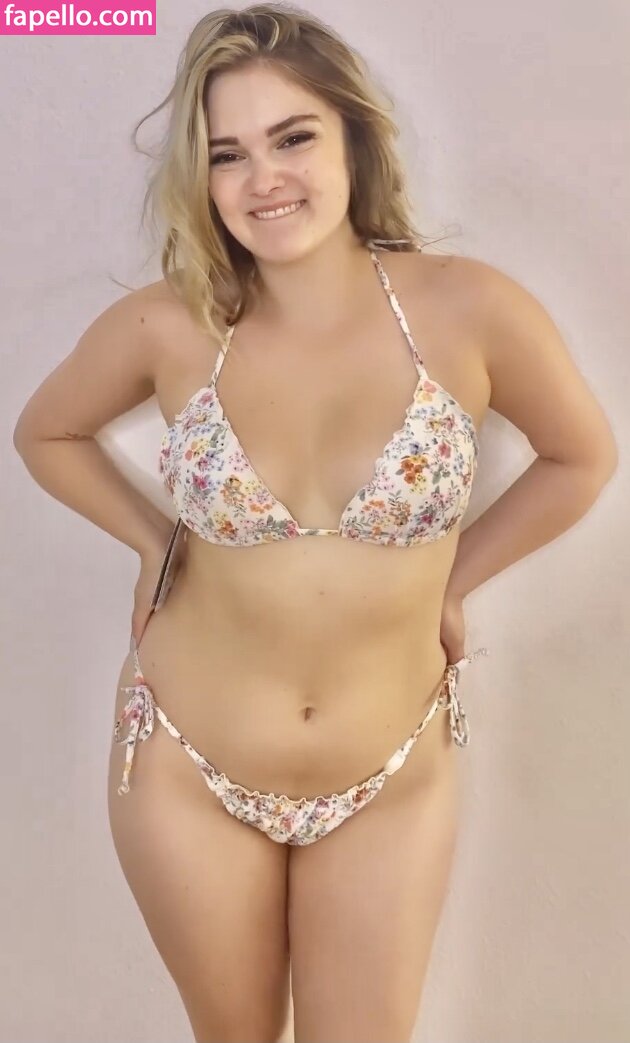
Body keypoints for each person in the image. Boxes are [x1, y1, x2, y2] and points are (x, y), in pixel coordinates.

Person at [12, 5, 618, 1042]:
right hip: (188, 757)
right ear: (201, 177)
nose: (264, 179)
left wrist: (455, 579)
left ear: (353, 137)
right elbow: (45, 432)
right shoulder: (170, 321)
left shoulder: (469, 309)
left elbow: (582, 456)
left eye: (292, 137)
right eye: (228, 154)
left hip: (391, 766)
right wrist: (158, 543)